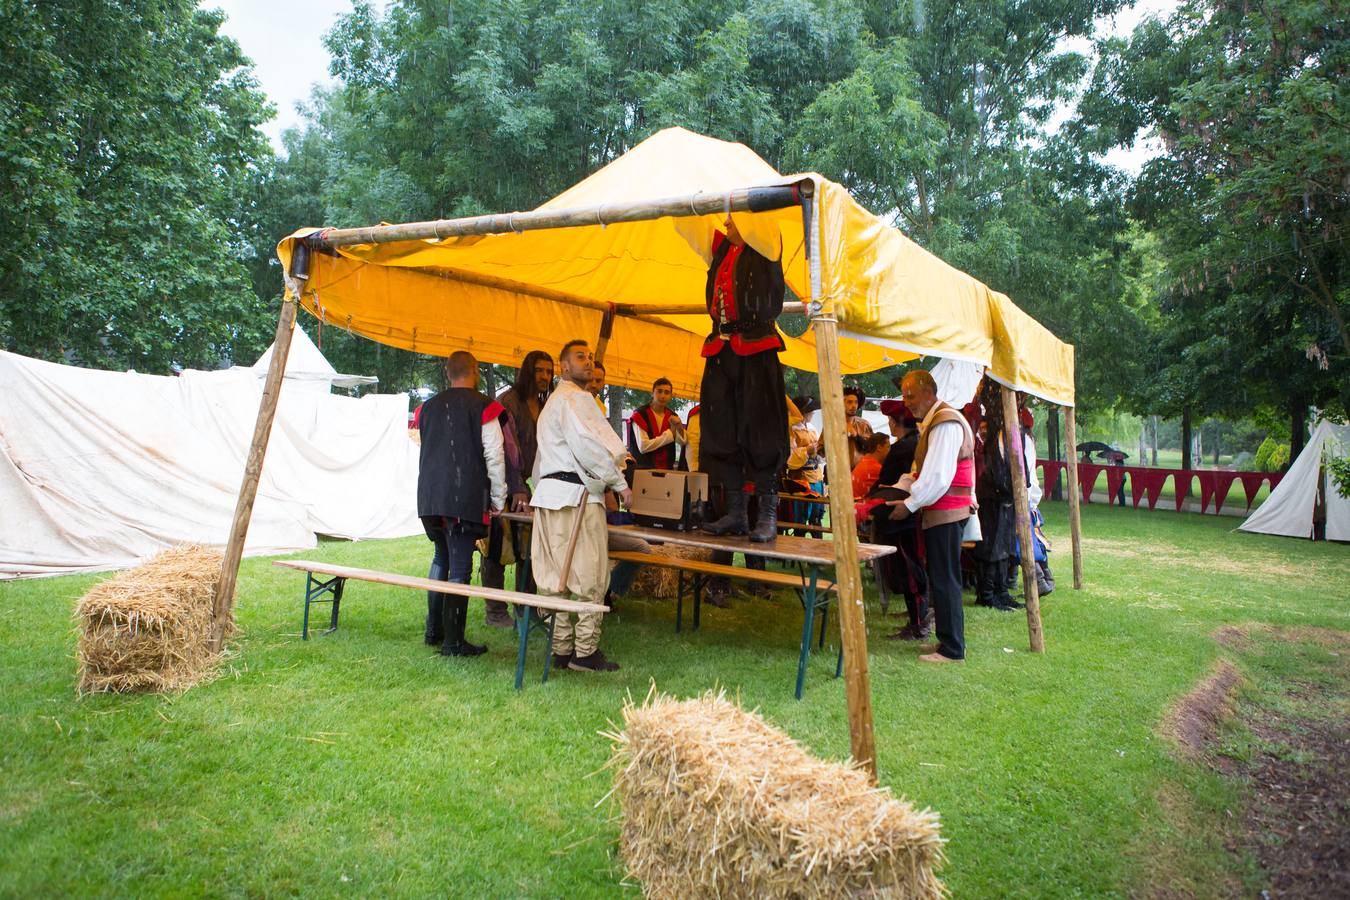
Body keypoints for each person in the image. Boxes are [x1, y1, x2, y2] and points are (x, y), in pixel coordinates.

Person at [531, 339, 632, 672]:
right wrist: (619, 482)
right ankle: (585, 653)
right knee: (590, 575)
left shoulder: (552, 405)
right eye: (580, 357)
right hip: (576, 499)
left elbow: (541, 460)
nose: (588, 362)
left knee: (557, 578)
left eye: (589, 357)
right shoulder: (577, 398)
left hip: (549, 497)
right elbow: (590, 445)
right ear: (564, 366)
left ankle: (561, 650)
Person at [698, 214, 789, 543]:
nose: (725, 222)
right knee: (721, 428)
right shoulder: (722, 250)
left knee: (762, 429)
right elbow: (688, 226)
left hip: (756, 348)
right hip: (721, 350)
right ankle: (735, 511)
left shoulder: (764, 244)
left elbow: (763, 219)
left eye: (733, 217)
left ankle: (766, 513)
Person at [417, 351, 508, 657]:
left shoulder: (427, 408)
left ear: (447, 372)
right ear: (476, 371)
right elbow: (495, 456)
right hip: (463, 496)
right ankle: (453, 642)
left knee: (440, 557)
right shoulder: (484, 407)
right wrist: (499, 499)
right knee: (458, 564)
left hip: (430, 495)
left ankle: (435, 630)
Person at [887, 369, 975, 663]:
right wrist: (894, 491)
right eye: (904, 395)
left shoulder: (944, 423)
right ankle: (946, 642)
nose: (907, 402)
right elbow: (919, 474)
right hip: (942, 511)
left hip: (947, 512)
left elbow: (937, 477)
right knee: (942, 577)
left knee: (946, 579)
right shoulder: (935, 423)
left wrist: (908, 505)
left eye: (911, 395)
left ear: (929, 392)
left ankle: (952, 649)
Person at [478, 350, 552, 627]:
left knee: (530, 548)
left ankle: (526, 607)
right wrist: (518, 487)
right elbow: (505, 450)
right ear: (527, 372)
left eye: (549, 371)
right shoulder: (508, 402)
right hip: (500, 483)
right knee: (497, 547)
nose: (545, 376)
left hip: (526, 485)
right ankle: (495, 611)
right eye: (539, 370)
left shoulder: (546, 406)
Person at [873, 399, 929, 641]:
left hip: (900, 514)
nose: (890, 425)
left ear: (896, 423)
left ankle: (918, 624)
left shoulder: (903, 447)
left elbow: (896, 482)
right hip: (907, 512)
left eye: (891, 421)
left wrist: (871, 499)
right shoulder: (914, 442)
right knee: (911, 567)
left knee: (908, 571)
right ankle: (917, 616)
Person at [971, 382, 1021, 612]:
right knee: (990, 548)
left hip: (1002, 500)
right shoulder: (990, 440)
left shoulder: (1006, 435)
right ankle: (987, 593)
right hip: (990, 501)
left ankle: (1001, 592)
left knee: (1003, 547)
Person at [627, 377, 686, 470]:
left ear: (671, 396)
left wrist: (679, 427)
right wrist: (670, 434)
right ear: (652, 393)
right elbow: (643, 446)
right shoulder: (640, 415)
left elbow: (682, 442)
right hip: (642, 470)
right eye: (659, 391)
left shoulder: (672, 416)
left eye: (667, 392)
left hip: (667, 470)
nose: (663, 396)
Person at [851, 432, 891, 500]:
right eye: (888, 447)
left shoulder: (865, 461)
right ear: (879, 448)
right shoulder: (876, 468)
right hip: (862, 506)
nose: (890, 451)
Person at [844, 385, 874, 469]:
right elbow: (822, 451)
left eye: (856, 402)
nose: (853, 406)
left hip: (860, 471)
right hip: (838, 472)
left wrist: (856, 436)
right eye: (849, 402)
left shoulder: (864, 425)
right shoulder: (832, 426)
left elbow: (872, 449)